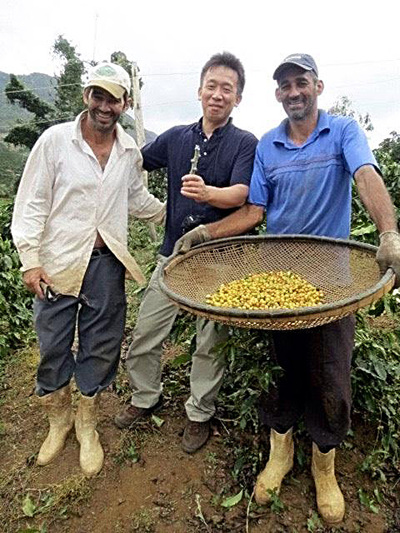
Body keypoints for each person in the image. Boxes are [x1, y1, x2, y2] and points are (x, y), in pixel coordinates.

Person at [174, 53, 400, 523]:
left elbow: (365, 177)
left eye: (301, 83)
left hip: (333, 279)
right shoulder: (269, 147)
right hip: (277, 277)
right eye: (285, 86)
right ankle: (281, 451)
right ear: (277, 94)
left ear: (317, 86)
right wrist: (205, 233)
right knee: (283, 371)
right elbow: (255, 212)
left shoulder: (341, 132)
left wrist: (389, 232)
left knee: (332, 376)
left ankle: (324, 463)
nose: (293, 92)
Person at [11, 62, 165, 477]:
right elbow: (31, 204)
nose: (104, 105)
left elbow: (136, 200)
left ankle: (86, 422)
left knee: (101, 344)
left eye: (112, 97)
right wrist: (31, 261)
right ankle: (58, 421)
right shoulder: (55, 142)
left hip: (105, 264)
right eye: (97, 95)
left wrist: (177, 212)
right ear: (86, 97)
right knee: (53, 343)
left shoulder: (129, 151)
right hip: (58, 262)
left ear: (124, 104)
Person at [114, 52, 258, 454]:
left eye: (226, 89)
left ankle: (199, 413)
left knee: (209, 340)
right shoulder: (177, 137)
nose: (217, 94)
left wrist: (209, 193)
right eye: (211, 86)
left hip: (220, 260)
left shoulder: (245, 143)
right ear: (199, 91)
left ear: (237, 98)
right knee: (146, 332)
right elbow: (135, 160)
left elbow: (243, 195)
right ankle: (145, 396)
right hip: (171, 255)